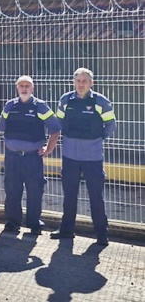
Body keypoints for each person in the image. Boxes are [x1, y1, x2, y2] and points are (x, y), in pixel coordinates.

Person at [51, 68, 116, 246]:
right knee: (69, 196)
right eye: (78, 81)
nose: (81, 84)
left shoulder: (101, 102)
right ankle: (66, 231)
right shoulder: (65, 100)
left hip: (92, 158)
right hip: (70, 157)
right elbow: (59, 122)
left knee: (96, 197)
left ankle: (101, 235)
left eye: (84, 81)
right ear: (74, 82)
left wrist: (96, 139)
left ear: (91, 83)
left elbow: (110, 125)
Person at [0, 75, 60, 235]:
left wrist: (49, 148)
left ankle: (34, 223)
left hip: (32, 158)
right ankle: (12, 222)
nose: (24, 88)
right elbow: (2, 127)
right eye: (21, 86)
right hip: (12, 157)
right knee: (12, 190)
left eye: (27, 86)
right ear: (17, 88)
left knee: (35, 190)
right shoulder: (9, 106)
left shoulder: (40, 106)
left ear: (32, 88)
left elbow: (55, 129)